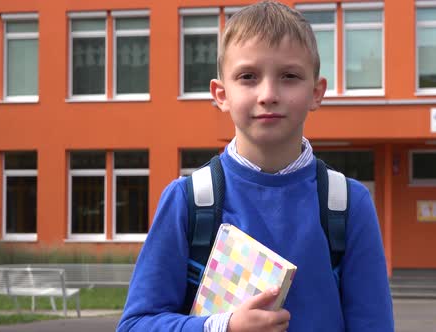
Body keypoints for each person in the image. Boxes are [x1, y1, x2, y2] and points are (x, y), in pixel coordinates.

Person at [117, 1, 394, 331]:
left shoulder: (348, 204)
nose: (268, 94)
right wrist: (224, 326)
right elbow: (135, 325)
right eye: (248, 76)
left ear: (316, 92)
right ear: (221, 94)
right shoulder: (188, 201)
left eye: (289, 76)